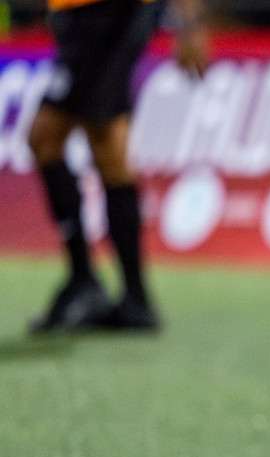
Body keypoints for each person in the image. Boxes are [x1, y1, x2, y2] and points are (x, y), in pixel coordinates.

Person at [26, 0, 208, 333]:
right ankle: (132, 298)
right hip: (81, 17)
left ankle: (89, 282)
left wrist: (189, 25)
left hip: (108, 16)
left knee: (53, 137)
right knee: (93, 146)